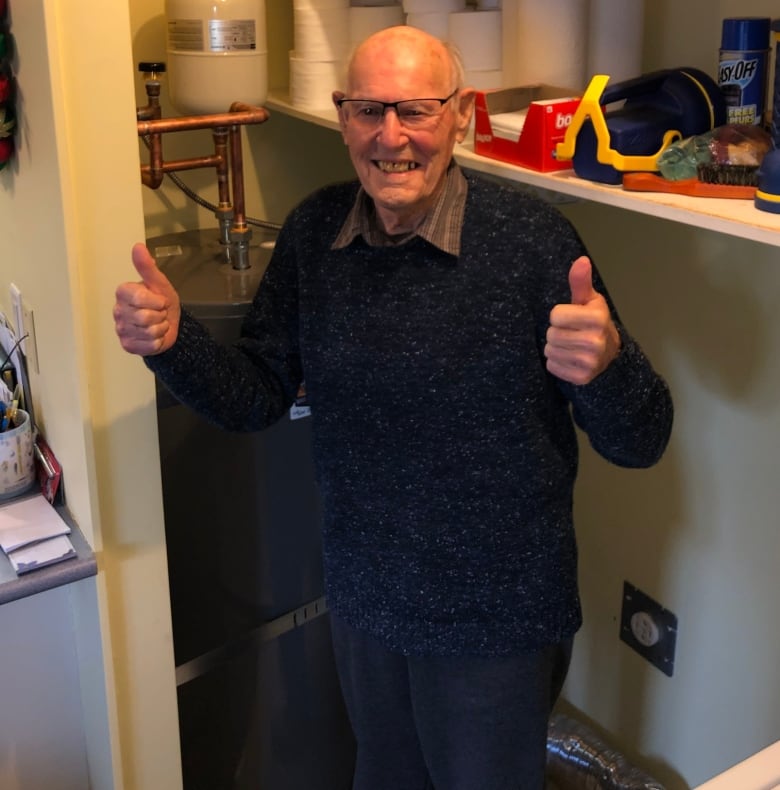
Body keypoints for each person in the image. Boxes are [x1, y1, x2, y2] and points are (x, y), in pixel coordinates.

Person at [114, 25, 673, 790]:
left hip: (495, 617)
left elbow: (641, 440)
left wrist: (608, 369)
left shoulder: (532, 243)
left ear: (462, 117)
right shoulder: (316, 234)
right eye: (367, 109)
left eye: (416, 109)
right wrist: (175, 344)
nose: (391, 136)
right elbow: (258, 396)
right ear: (342, 116)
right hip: (366, 601)